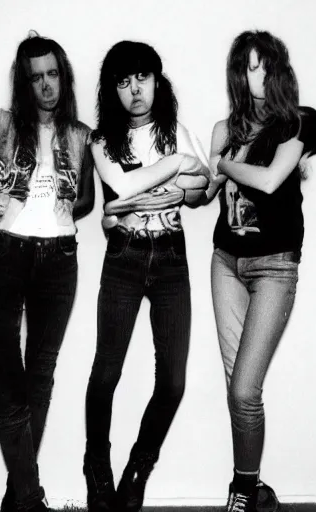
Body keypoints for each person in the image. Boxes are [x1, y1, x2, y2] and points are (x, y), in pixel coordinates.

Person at [83, 40, 209, 512]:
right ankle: (97, 464)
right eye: (122, 81)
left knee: (173, 381)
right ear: (111, 91)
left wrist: (185, 183)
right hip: (124, 259)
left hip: (172, 259)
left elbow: (202, 191)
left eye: (142, 78)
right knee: (106, 371)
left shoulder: (176, 128)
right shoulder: (100, 141)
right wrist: (175, 167)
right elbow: (124, 187)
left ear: (157, 81)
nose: (134, 89)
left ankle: (139, 466)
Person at [205, 30, 316, 512]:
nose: (258, 76)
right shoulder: (223, 129)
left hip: (275, 267)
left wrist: (224, 164)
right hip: (225, 264)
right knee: (238, 389)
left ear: (280, 69)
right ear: (237, 73)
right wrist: (188, 181)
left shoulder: (299, 122)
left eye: (266, 65)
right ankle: (255, 490)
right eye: (249, 67)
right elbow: (204, 195)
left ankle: (242, 486)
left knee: (243, 388)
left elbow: (272, 180)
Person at [0, 33, 94, 512]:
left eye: (52, 74)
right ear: (23, 84)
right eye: (35, 77)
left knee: (39, 376)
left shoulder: (83, 134)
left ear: (62, 76)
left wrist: (73, 201)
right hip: (3, 253)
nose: (46, 85)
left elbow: (85, 200)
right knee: (8, 380)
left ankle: (17, 498)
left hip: (59, 258)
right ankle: (31, 498)